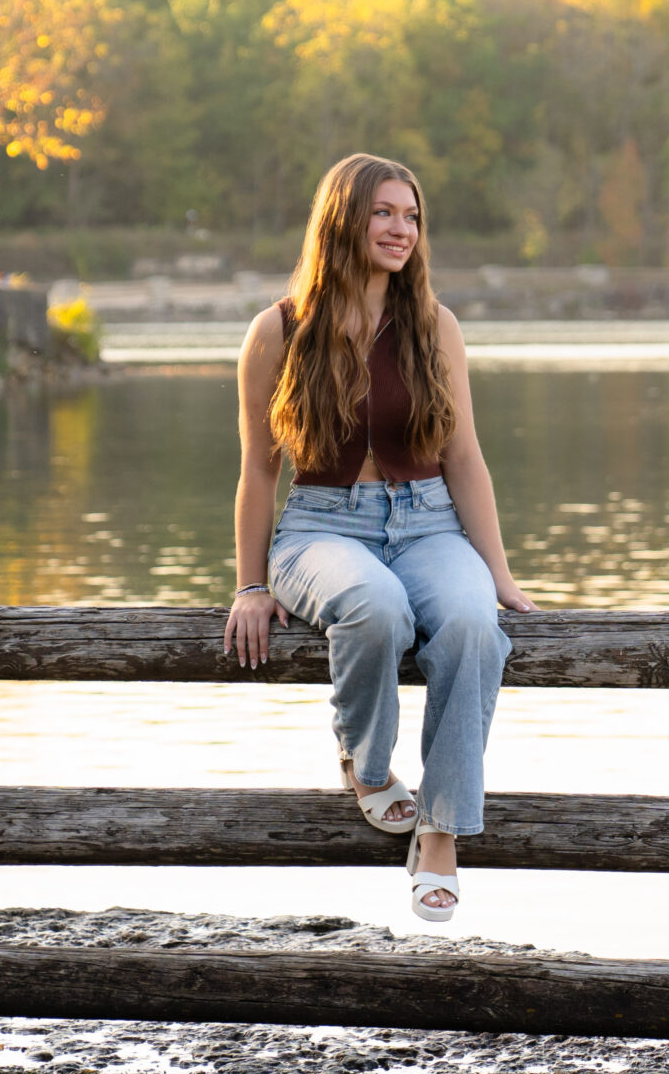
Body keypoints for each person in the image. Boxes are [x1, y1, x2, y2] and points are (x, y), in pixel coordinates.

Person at [223, 152, 536, 923]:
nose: (403, 229)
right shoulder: (278, 329)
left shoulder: (435, 326)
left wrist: (496, 572)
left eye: (413, 215)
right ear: (344, 220)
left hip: (431, 521)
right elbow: (259, 471)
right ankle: (365, 765)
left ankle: (438, 830)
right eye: (385, 213)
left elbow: (464, 458)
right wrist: (251, 584)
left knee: (470, 623)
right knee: (377, 605)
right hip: (322, 525)